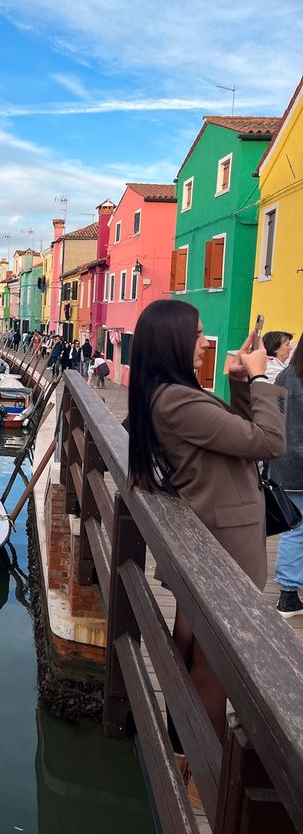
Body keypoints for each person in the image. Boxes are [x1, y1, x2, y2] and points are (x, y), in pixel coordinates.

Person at [128, 299, 286, 751]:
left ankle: (181, 745)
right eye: (198, 335)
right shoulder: (177, 400)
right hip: (225, 543)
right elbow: (268, 442)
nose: (204, 343)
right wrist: (260, 377)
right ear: (175, 342)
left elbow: (237, 438)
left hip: (212, 534)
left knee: (195, 644)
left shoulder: (171, 393)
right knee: (215, 663)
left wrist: (239, 384)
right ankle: (203, 763)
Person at [269, 340, 303, 617]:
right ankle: (288, 595)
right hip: (299, 467)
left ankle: (290, 592)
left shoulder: (285, 374)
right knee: (298, 531)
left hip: (282, 463)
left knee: (295, 528)